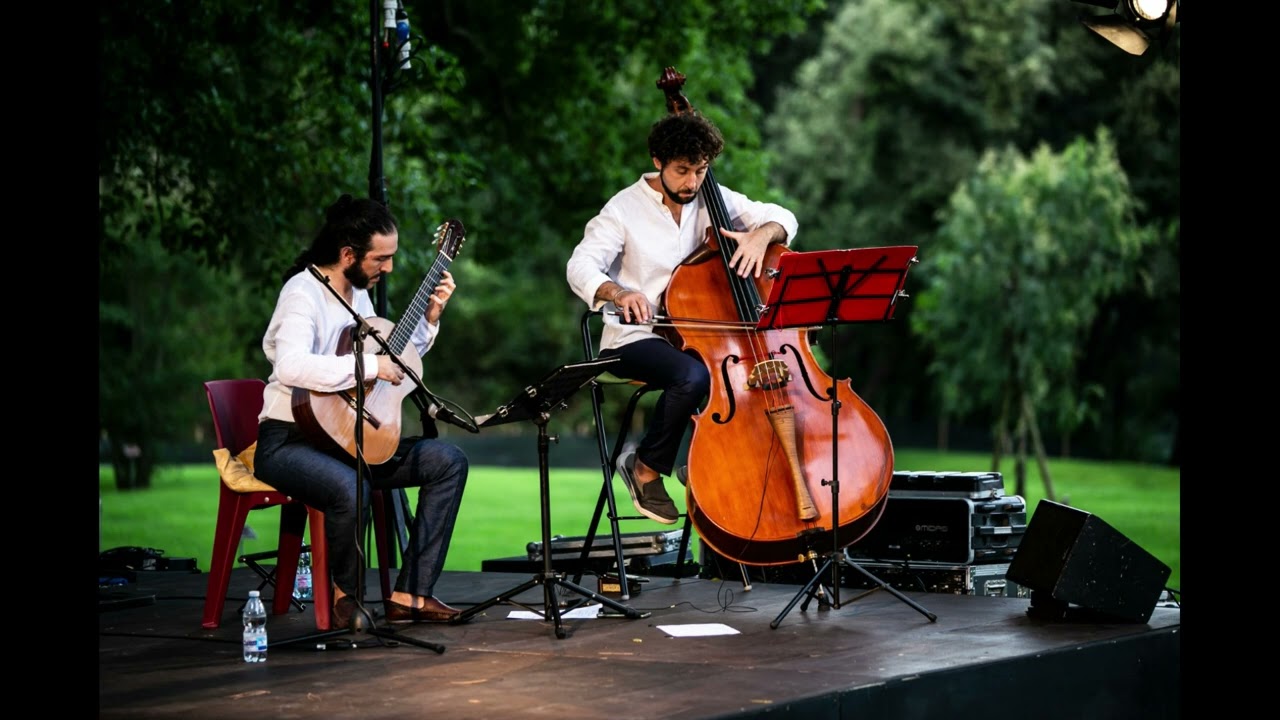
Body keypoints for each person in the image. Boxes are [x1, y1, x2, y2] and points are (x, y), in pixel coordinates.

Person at [566, 112, 799, 525]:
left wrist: (762, 234)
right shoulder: (622, 209)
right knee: (692, 376)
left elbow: (784, 217)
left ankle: (704, 455)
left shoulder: (714, 197)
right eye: (683, 170)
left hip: (701, 339)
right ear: (658, 161)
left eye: (701, 169)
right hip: (635, 337)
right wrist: (619, 292)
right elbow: (580, 266)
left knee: (728, 374)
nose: (692, 182)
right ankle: (644, 467)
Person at [253, 194, 468, 627]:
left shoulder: (359, 296)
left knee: (447, 461)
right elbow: (291, 365)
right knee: (350, 487)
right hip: (290, 440)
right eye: (381, 258)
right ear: (347, 254)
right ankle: (345, 595)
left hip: (353, 438)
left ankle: (411, 593)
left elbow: (395, 363)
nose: (388, 268)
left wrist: (428, 319)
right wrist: (371, 366)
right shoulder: (302, 294)